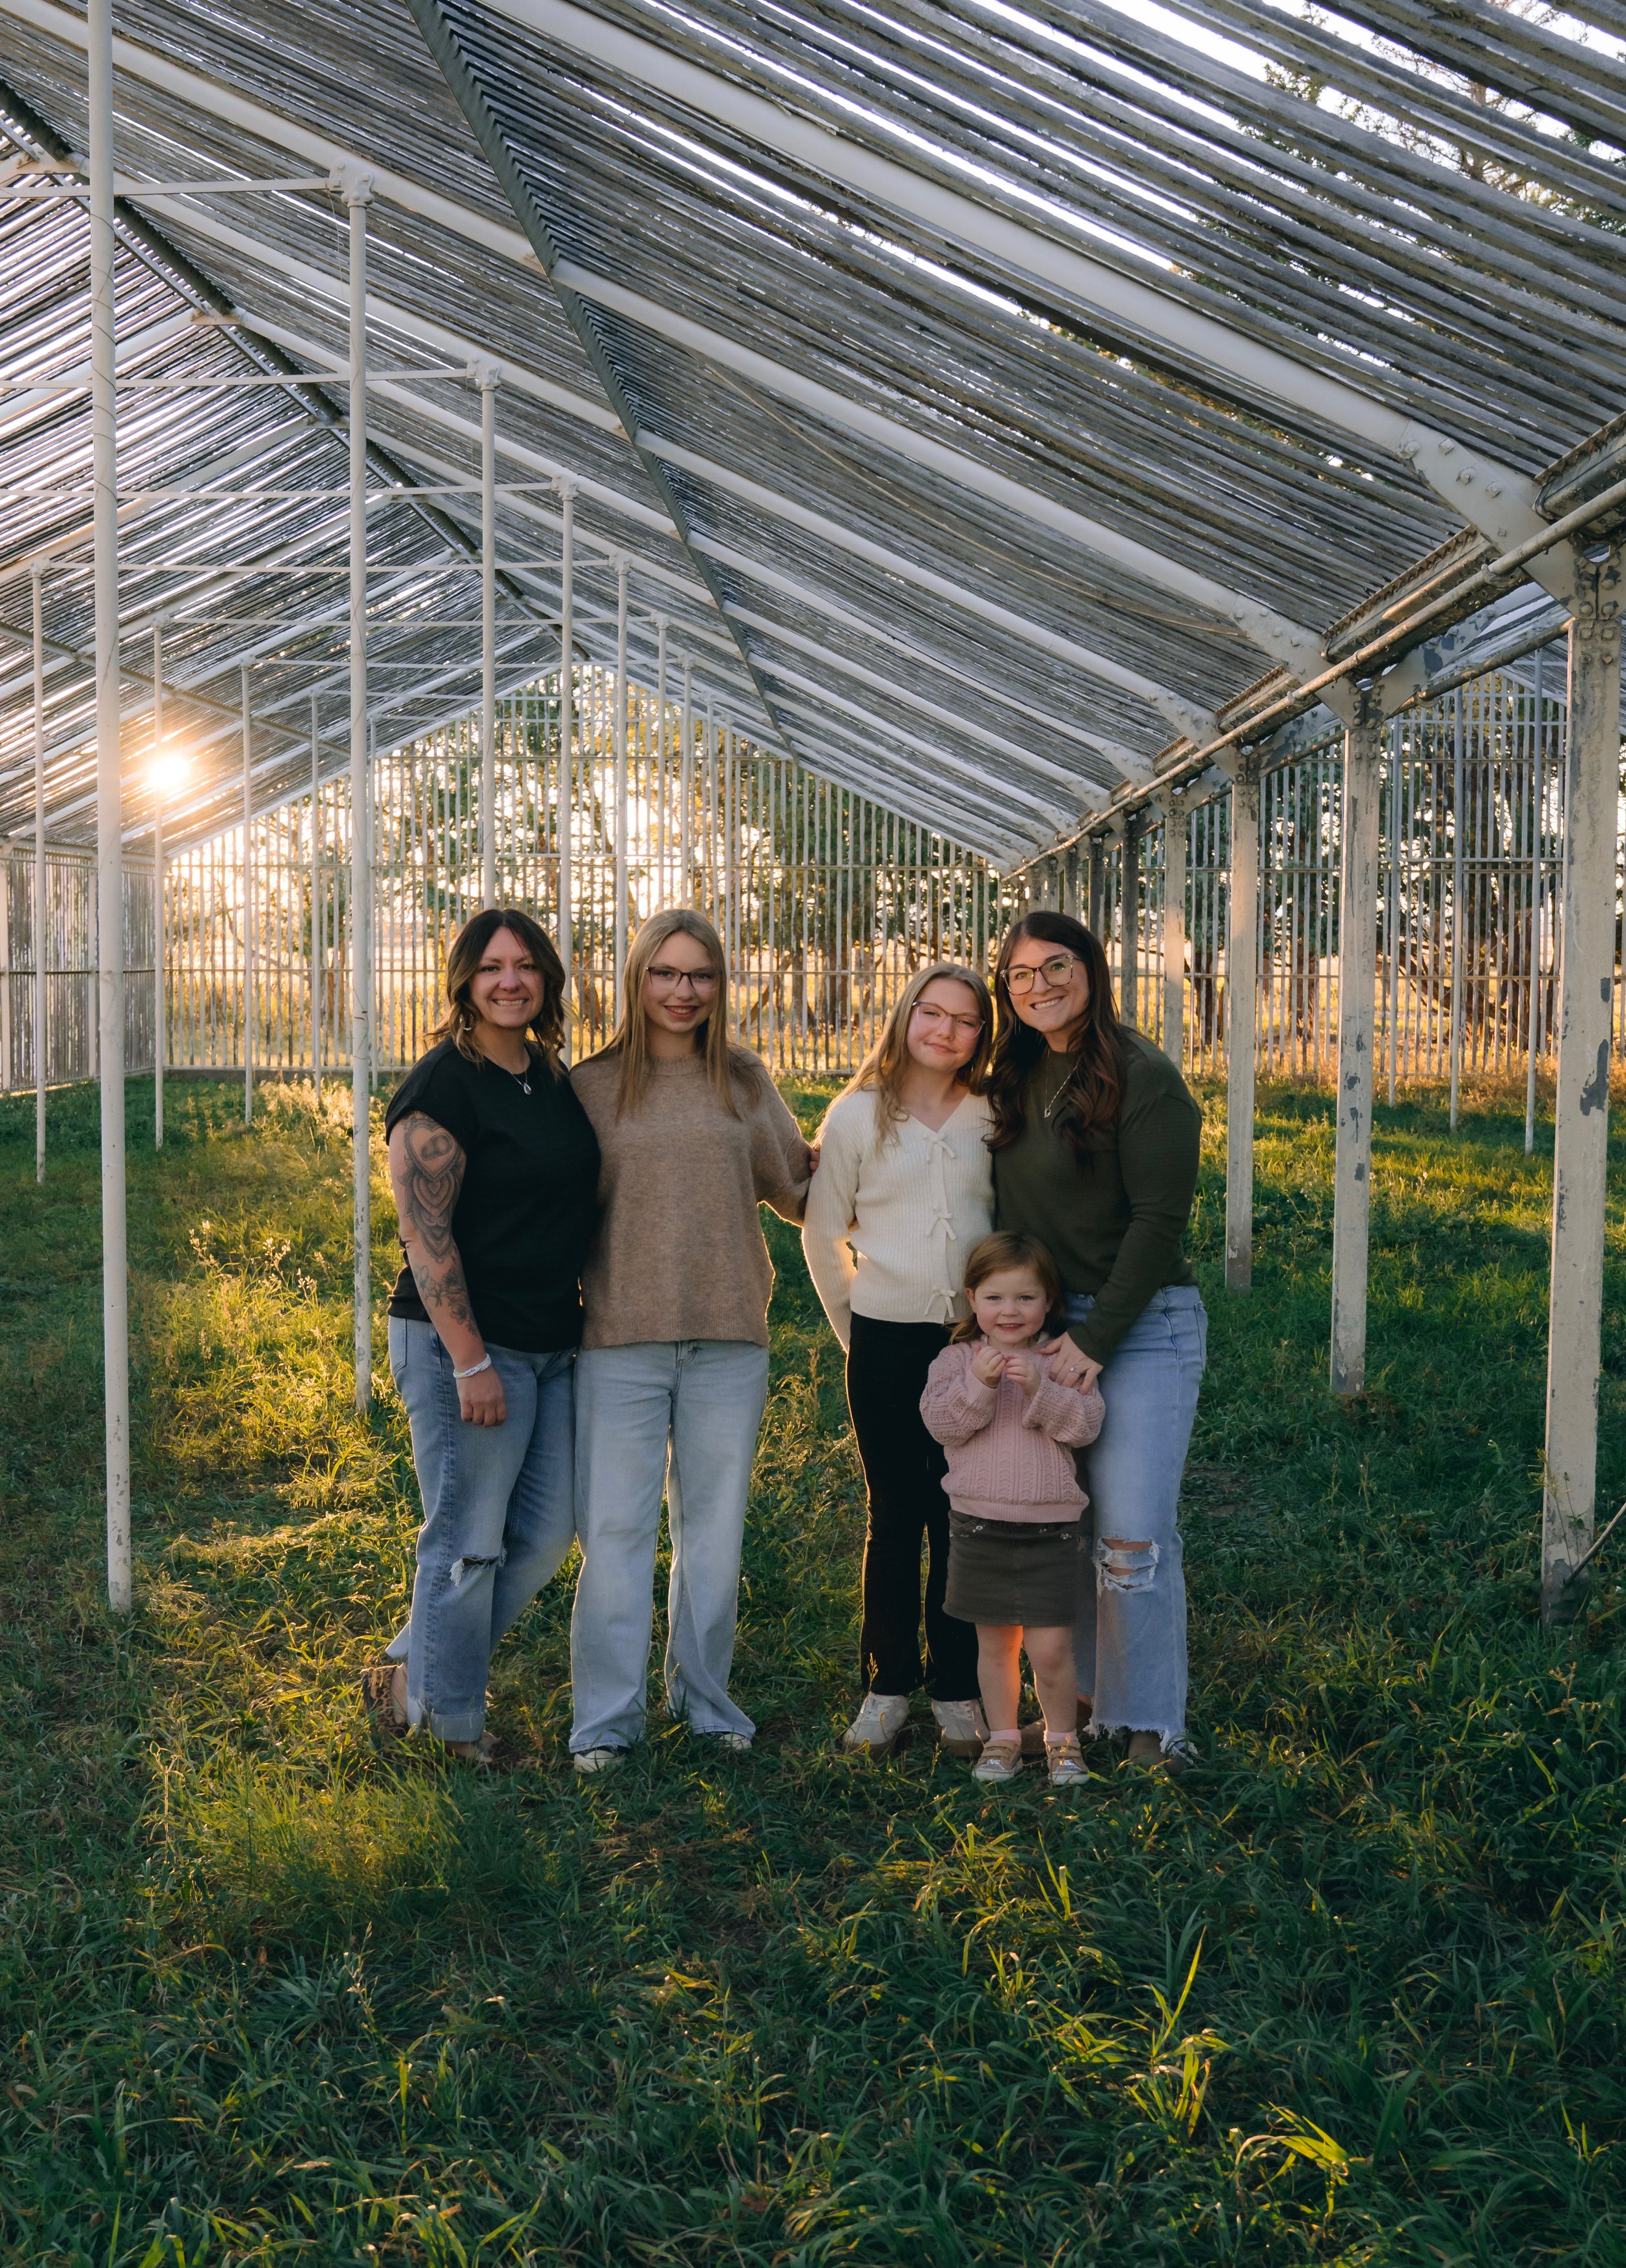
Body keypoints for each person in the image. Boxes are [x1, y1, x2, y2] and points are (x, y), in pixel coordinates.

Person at [567, 907, 813, 1773]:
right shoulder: (591, 1085)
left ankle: (706, 1702)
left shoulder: (744, 1081)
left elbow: (799, 1185)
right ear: (637, 980)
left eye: (699, 974)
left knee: (714, 1531)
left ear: (720, 984)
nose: (682, 990)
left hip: (728, 1335)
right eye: (664, 973)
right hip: (617, 1337)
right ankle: (604, 1720)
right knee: (618, 1531)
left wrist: (884, 1134)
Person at [364, 908, 601, 1761]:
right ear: (462, 978)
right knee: (467, 1543)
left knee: (540, 1535)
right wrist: (470, 1360)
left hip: (550, 1339)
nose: (512, 979)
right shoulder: (442, 1086)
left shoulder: (546, 1071)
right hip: (462, 1344)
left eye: (528, 964)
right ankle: (451, 1728)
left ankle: (410, 1671)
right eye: (493, 965)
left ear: (548, 979)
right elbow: (426, 1239)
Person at [987, 909, 1205, 1772]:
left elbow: (1161, 1221)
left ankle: (1151, 1719)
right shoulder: (1015, 1070)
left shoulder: (1142, 1075)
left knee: (1134, 1532)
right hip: (1043, 1328)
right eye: (1020, 974)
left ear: (1092, 967)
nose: (1038, 985)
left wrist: (1099, 1336)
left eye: (1055, 965)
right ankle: (1077, 1703)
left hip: (1140, 1323)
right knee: (1057, 1521)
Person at [803, 961, 996, 1758]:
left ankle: (957, 1688)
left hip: (972, 1345)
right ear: (905, 1015)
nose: (946, 1031)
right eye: (932, 1013)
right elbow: (821, 1232)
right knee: (895, 1515)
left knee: (959, 1515)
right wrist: (856, 1331)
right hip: (882, 1338)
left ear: (983, 1036)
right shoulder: (856, 1117)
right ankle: (886, 1685)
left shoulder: (992, 1115)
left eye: (965, 1020)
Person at [920, 1233, 1105, 1787]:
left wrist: (1039, 1394)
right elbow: (943, 1424)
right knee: (995, 1644)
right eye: (996, 1298)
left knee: (1050, 1648)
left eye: (1026, 1298)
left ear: (1048, 1302)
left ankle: (1062, 1741)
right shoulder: (956, 1360)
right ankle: (1002, 1739)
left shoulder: (1061, 1360)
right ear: (973, 1299)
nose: (1010, 1311)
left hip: (1050, 1528)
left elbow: (1085, 1425)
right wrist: (980, 1384)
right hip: (978, 1525)